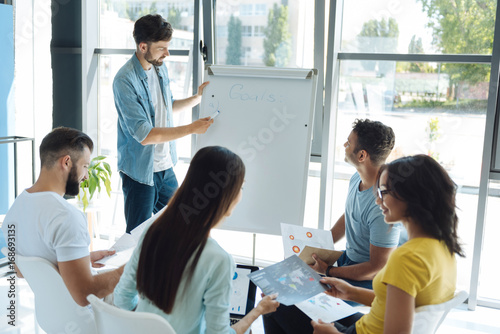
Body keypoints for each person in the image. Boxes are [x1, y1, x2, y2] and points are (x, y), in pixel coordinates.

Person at [113, 146, 279, 334]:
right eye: (241, 187)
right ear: (227, 196)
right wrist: (258, 310)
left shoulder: (152, 232)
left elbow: (122, 299)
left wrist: (152, 322)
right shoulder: (218, 259)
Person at [263, 119, 403, 333]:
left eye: (348, 143)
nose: (344, 146)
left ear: (362, 155)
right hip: (348, 259)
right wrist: (322, 245)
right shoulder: (357, 179)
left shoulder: (381, 204)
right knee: (277, 285)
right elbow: (350, 215)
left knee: (286, 301)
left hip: (366, 278)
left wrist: (330, 270)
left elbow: (376, 268)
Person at [311, 154, 464, 333]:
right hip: (371, 322)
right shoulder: (444, 247)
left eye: (383, 192)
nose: (377, 201)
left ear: (411, 196)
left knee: (281, 304)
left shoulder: (407, 257)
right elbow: (399, 303)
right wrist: (351, 292)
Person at [113, 14, 213, 233]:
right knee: (137, 236)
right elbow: (145, 135)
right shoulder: (124, 80)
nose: (167, 53)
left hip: (165, 168)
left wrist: (196, 98)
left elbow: (167, 106)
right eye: (162, 48)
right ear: (143, 46)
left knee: (181, 226)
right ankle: (136, 269)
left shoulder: (159, 68)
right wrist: (191, 129)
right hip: (140, 173)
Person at [1, 127, 123, 306]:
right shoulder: (67, 216)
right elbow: (84, 295)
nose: (86, 176)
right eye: (85, 166)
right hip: (92, 316)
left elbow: (21, 271)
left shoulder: (16, 209)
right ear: (66, 162)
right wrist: (133, 269)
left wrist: (77, 261)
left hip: (51, 314)